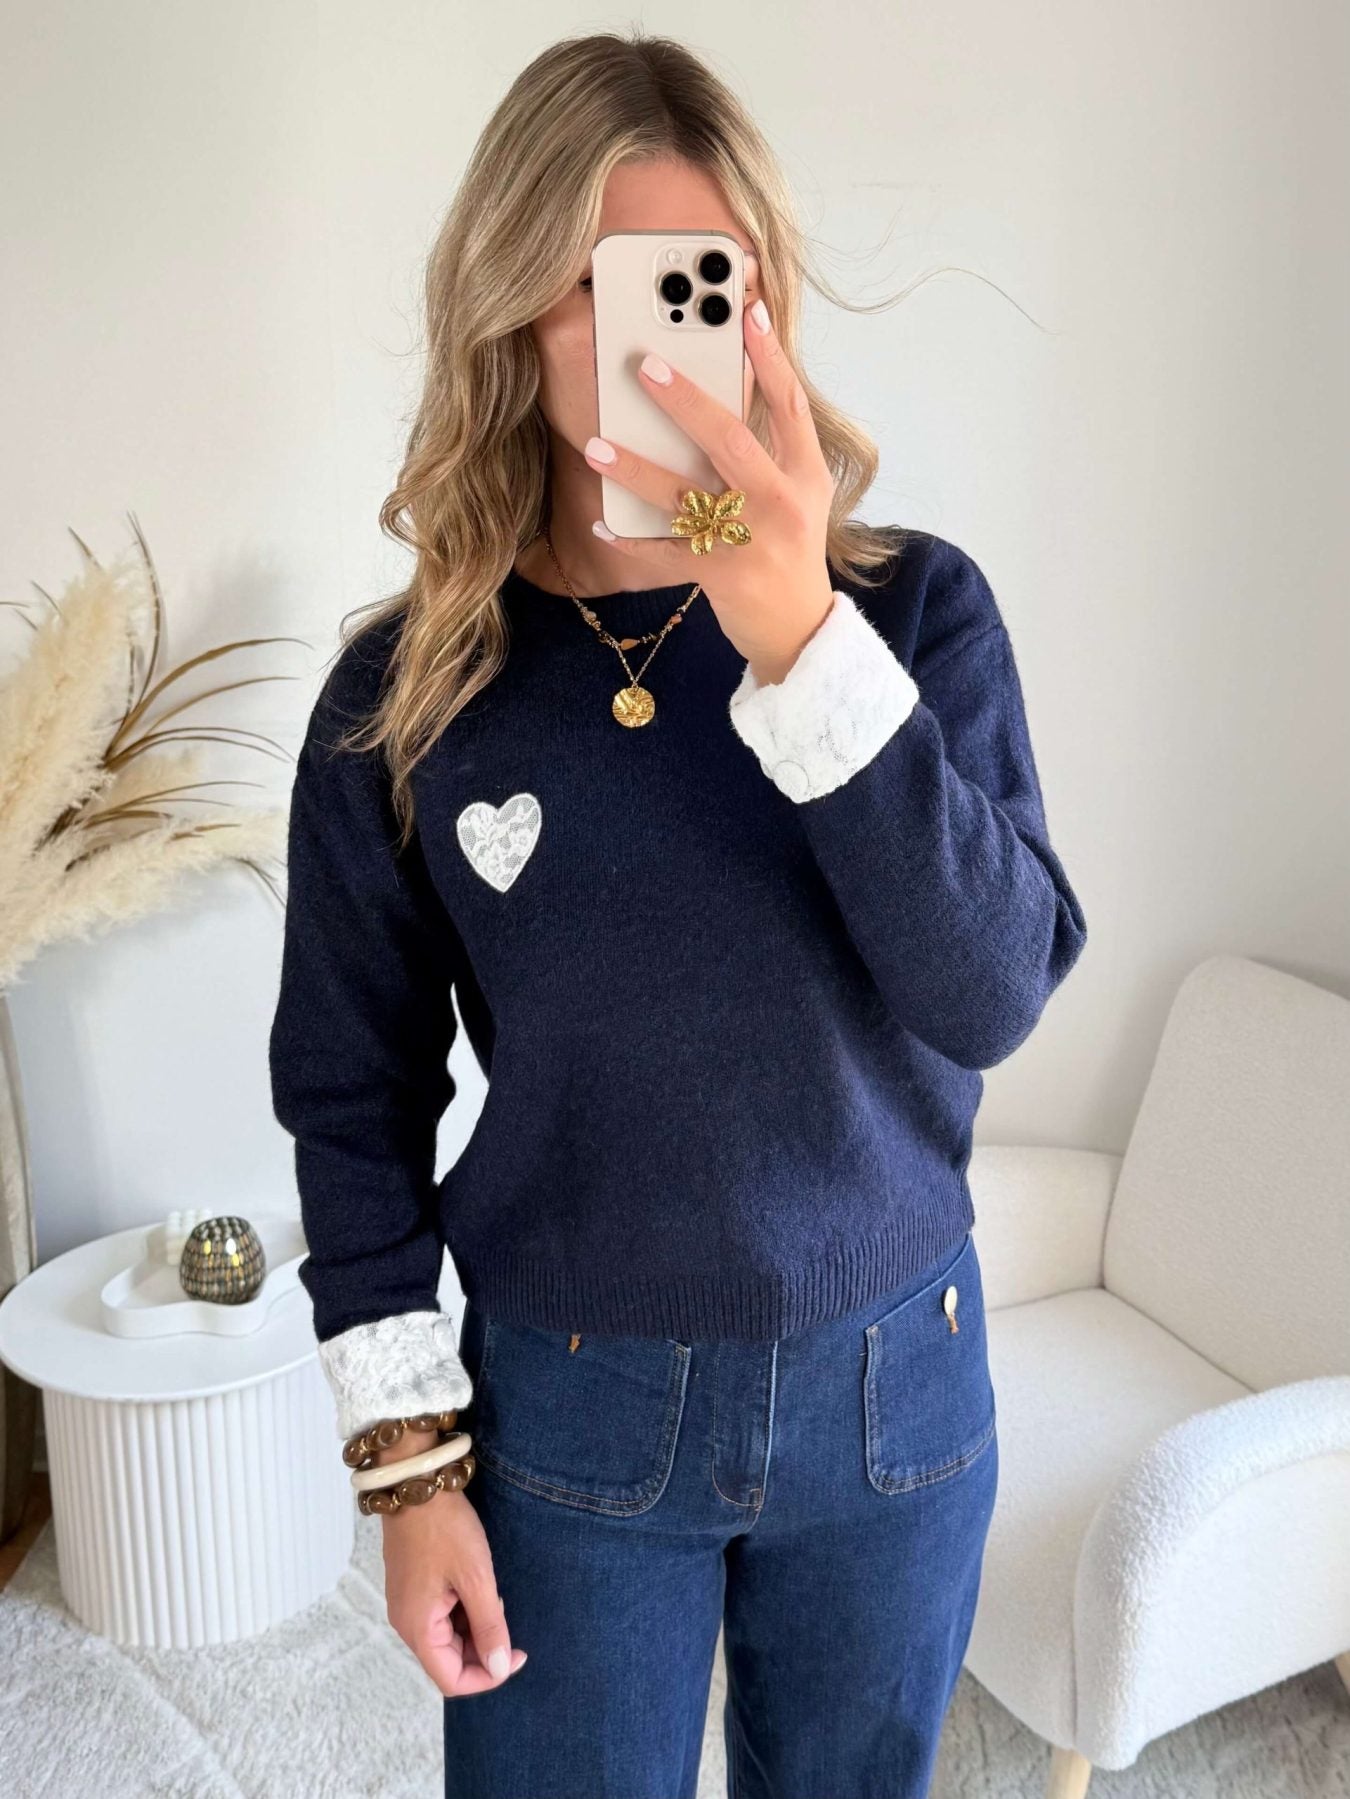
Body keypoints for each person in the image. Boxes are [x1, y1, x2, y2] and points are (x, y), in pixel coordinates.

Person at [268, 28, 1088, 1799]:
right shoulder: (407, 699)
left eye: (694, 279)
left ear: (760, 303)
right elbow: (349, 1094)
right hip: (571, 1397)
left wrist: (795, 639)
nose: (651, 339)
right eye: (598, 282)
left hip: (893, 1390)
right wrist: (408, 1475)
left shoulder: (914, 619)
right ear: (508, 309)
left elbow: (992, 991)